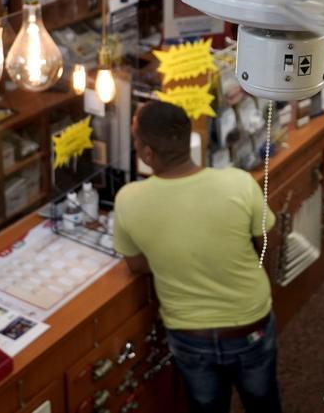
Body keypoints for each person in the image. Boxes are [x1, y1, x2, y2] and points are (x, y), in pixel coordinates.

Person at [113, 101, 281, 413]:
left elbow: (136, 265)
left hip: (190, 336)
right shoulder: (239, 183)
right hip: (251, 324)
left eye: (136, 139)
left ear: (148, 154)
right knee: (264, 402)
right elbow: (267, 239)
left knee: (206, 407)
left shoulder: (129, 200)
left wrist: (174, 257)